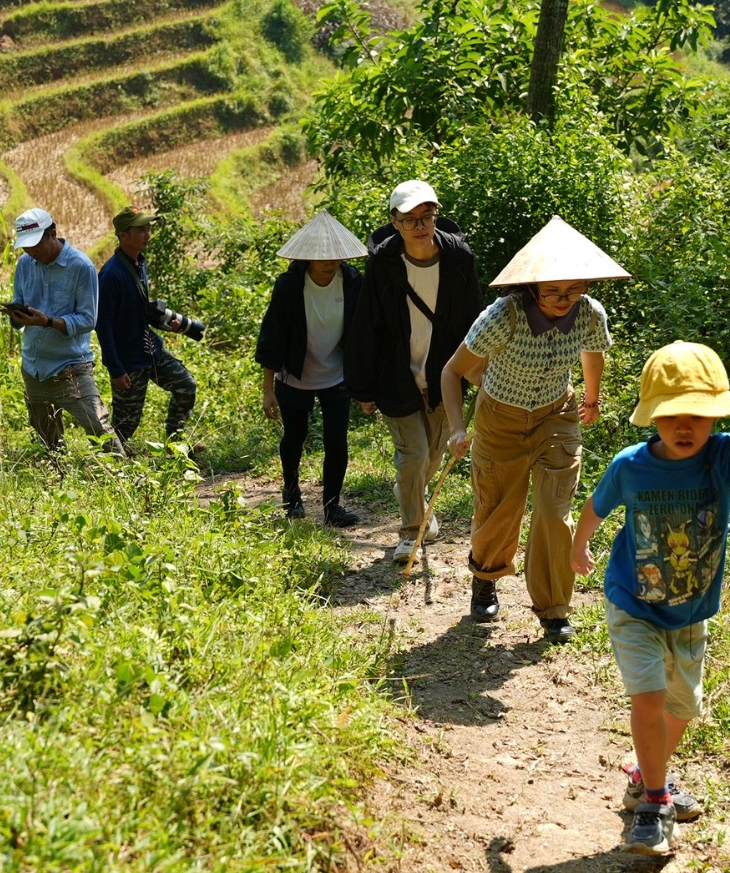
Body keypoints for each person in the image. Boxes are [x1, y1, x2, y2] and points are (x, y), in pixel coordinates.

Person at [572, 341, 730, 856]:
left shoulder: (723, 455)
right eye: (672, 416)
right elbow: (596, 507)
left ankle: (646, 771)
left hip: (690, 612)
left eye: (699, 416)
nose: (686, 428)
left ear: (716, 417)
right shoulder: (630, 465)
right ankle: (655, 803)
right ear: (653, 417)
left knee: (682, 707)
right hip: (633, 602)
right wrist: (580, 542)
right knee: (649, 696)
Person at [443, 217, 624, 642]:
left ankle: (554, 608)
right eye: (553, 292)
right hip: (500, 420)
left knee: (553, 512)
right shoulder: (502, 317)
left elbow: (593, 355)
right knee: (499, 509)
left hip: (555, 416)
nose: (565, 300)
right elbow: (454, 372)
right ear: (531, 287)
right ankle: (486, 576)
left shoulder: (590, 314)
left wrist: (591, 400)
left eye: (575, 289)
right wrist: (455, 428)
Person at [344, 180, 484, 563]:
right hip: (395, 374)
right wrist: (363, 386)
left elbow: (475, 319)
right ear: (394, 222)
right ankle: (410, 531)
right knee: (413, 454)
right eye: (409, 219)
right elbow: (366, 325)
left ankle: (415, 499)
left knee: (432, 457)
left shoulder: (459, 258)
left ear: (436, 215)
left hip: (445, 375)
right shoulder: (384, 264)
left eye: (427, 216)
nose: (420, 225)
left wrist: (479, 370)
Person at [255, 211, 365, 526]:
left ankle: (333, 506)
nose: (330, 261)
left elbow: (364, 331)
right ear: (309, 257)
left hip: (337, 375)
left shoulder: (353, 282)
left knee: (336, 440)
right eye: (323, 256)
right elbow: (272, 336)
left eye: (335, 255)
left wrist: (365, 381)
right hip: (294, 374)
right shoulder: (290, 285)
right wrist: (267, 389)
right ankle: (292, 497)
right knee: (294, 435)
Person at [7, 207, 121, 454]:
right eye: (26, 247)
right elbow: (20, 306)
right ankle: (58, 476)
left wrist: (48, 321)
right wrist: (17, 317)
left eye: (36, 245)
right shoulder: (25, 264)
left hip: (71, 367)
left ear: (53, 234)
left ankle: (126, 482)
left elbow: (88, 319)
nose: (31, 252)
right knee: (47, 434)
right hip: (34, 366)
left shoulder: (81, 266)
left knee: (100, 430)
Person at [96, 207, 199, 447]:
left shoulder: (139, 263)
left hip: (150, 349)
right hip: (128, 361)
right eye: (141, 230)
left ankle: (176, 444)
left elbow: (137, 310)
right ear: (123, 235)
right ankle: (109, 465)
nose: (147, 234)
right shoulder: (111, 275)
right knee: (126, 425)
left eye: (148, 229)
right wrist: (116, 369)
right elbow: (103, 326)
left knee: (186, 385)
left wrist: (165, 322)